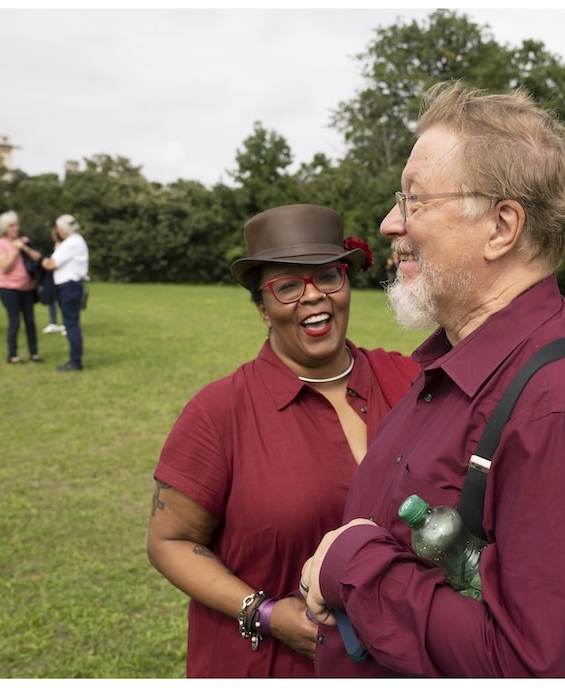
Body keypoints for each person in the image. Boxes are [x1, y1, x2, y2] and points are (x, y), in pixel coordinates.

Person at [299, 81, 565, 677]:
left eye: (415, 201)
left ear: (501, 227)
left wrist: (352, 567)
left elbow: (537, 669)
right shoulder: (449, 365)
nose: (392, 223)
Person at [146, 204, 419, 678]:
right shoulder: (219, 412)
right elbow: (169, 540)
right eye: (288, 286)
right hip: (272, 669)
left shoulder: (410, 380)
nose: (313, 297)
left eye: (327, 277)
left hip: (399, 663)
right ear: (263, 307)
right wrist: (264, 614)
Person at [0, 210, 44, 364]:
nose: (16, 228)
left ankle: (34, 353)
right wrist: (15, 251)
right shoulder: (0, 244)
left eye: (16, 225)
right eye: (11, 226)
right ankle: (13, 354)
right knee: (14, 321)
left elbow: (38, 258)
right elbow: (5, 267)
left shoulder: (24, 240)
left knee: (30, 321)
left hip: (27, 287)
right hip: (8, 288)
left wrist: (25, 248)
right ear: (4, 228)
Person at [41, 214, 88, 371]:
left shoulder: (71, 243)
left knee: (71, 324)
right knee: (71, 323)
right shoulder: (77, 241)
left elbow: (51, 264)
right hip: (72, 286)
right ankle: (75, 359)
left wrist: (43, 261)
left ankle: (75, 361)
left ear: (62, 229)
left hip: (68, 286)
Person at [42, 227, 66, 336]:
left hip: (63, 277)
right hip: (53, 277)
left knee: (62, 302)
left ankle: (66, 324)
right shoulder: (56, 245)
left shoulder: (66, 246)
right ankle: (53, 322)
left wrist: (47, 263)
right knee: (52, 300)